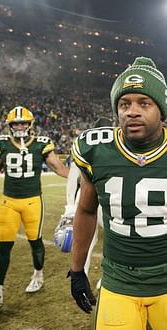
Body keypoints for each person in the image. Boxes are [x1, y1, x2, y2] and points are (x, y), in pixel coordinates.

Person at [68, 57, 167, 330]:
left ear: (161, 111)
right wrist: (77, 270)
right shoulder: (96, 150)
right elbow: (86, 210)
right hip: (118, 281)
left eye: (144, 103)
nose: (132, 112)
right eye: (124, 104)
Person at [0, 106, 69, 308]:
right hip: (8, 202)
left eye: (23, 122)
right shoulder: (2, 143)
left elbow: (59, 168)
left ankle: (38, 275)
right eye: (16, 123)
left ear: (30, 124)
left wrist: (81, 176)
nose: (20, 126)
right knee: (2, 247)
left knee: (35, 242)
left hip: (32, 201)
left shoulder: (41, 144)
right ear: (10, 125)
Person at [54, 117, 113, 280]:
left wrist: (70, 207)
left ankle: (82, 273)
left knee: (88, 238)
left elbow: (73, 178)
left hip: (90, 195)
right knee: (112, 236)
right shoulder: (118, 145)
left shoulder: (86, 145)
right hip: (108, 196)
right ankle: (105, 275)